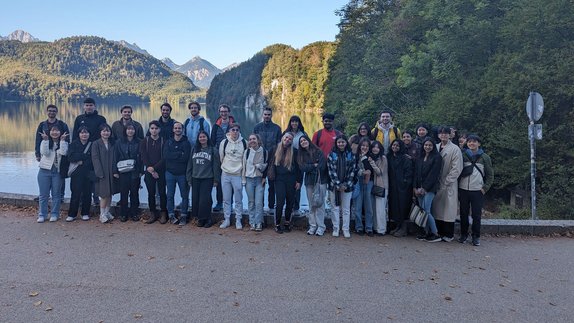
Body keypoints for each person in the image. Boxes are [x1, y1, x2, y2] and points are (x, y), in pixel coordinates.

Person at [458, 134, 494, 246]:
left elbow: (490, 175)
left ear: (479, 143)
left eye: (474, 142)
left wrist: (485, 188)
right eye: (469, 142)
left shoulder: (485, 157)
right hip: (463, 189)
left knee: (476, 215)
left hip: (477, 190)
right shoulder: (463, 155)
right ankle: (463, 234)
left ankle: (476, 236)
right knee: (463, 214)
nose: (471, 144)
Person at [73, 98, 107, 206]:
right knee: (83, 173)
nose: (89, 107)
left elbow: (104, 132)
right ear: (84, 106)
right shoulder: (79, 118)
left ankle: (95, 196)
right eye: (87, 105)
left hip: (96, 150)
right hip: (82, 151)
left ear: (94, 106)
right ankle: (83, 197)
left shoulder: (101, 118)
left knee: (95, 173)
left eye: (91, 105)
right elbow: (75, 135)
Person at [432, 126, 463, 242]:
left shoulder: (455, 149)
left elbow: (457, 168)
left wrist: (447, 181)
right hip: (436, 183)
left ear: (450, 135)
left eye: (446, 133)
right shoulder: (435, 147)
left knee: (448, 210)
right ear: (438, 135)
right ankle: (439, 232)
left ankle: (449, 234)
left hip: (448, 183)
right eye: (441, 133)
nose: (443, 135)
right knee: (437, 209)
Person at [267, 132, 302, 233]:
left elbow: (299, 168)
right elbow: (269, 163)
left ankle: (287, 222)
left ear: (292, 141)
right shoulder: (274, 149)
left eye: (290, 139)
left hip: (291, 179)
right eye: (286, 137)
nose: (287, 140)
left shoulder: (294, 152)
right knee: (280, 202)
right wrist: (265, 177)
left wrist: (299, 181)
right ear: (282, 138)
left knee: (290, 201)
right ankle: (277, 224)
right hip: (279, 179)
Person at [35, 104, 70, 204]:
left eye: (54, 111)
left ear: (56, 112)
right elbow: (38, 139)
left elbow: (67, 139)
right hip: (46, 153)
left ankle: (61, 196)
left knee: (60, 175)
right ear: (47, 112)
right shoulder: (42, 125)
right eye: (50, 111)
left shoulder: (62, 125)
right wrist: (37, 153)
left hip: (60, 154)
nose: (51, 112)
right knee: (45, 174)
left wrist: (66, 152)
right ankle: (44, 194)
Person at [187, 130, 221, 228]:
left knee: (205, 200)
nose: (202, 138)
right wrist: (189, 177)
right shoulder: (194, 149)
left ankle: (208, 219)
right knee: (196, 199)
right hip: (195, 177)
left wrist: (216, 179)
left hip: (207, 178)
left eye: (204, 137)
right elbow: (190, 164)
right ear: (198, 139)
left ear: (207, 138)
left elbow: (216, 166)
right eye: (200, 137)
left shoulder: (212, 150)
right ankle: (200, 219)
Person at [37, 124, 68, 223]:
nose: (55, 133)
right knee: (43, 195)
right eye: (53, 131)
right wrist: (45, 140)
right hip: (44, 170)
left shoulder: (64, 143)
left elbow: (63, 153)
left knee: (56, 194)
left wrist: (62, 141)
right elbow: (44, 153)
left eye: (57, 131)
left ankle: (55, 214)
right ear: (50, 132)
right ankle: (42, 214)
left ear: (60, 132)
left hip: (57, 172)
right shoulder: (45, 142)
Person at [327, 135, 357, 238]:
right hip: (334, 186)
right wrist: (338, 184)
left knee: (346, 209)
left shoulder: (351, 155)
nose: (341, 144)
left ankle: (345, 229)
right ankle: (336, 228)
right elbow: (331, 171)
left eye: (342, 142)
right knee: (335, 208)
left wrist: (346, 184)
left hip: (347, 187)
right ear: (336, 143)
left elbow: (353, 171)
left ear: (346, 143)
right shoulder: (332, 155)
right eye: (339, 142)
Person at [253, 107, 282, 215]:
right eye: (265, 114)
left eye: (269, 114)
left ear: (271, 115)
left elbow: (280, 145)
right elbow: (253, 142)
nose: (267, 116)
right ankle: (260, 207)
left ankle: (271, 207)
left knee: (272, 185)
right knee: (260, 185)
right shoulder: (257, 127)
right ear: (262, 115)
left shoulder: (277, 128)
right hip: (260, 160)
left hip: (272, 161)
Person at [413, 138, 442, 242]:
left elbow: (433, 175)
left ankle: (435, 233)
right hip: (419, 187)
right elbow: (416, 173)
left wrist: (424, 188)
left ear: (433, 146)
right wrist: (415, 188)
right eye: (426, 145)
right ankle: (425, 232)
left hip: (430, 188)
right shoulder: (420, 156)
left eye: (430, 145)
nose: (427, 147)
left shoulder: (437, 157)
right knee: (422, 211)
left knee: (426, 210)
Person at [297, 135, 328, 236]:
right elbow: (302, 168)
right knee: (311, 205)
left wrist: (311, 166)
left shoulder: (318, 151)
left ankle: (321, 227)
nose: (303, 142)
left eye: (304, 140)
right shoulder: (301, 154)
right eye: (301, 141)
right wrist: (313, 165)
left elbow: (322, 166)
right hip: (309, 181)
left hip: (320, 181)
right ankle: (312, 226)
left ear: (308, 140)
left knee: (320, 204)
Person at [219, 123, 247, 229]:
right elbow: (222, 157)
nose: (235, 132)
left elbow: (245, 160)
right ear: (229, 131)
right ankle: (226, 219)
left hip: (238, 174)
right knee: (226, 198)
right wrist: (225, 167)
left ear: (239, 131)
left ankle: (238, 220)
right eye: (233, 130)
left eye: (236, 130)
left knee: (238, 199)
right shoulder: (224, 142)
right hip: (225, 174)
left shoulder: (244, 143)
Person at [113, 123, 143, 222]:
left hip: (135, 171)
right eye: (128, 129)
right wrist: (115, 171)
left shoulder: (139, 142)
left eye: (132, 129)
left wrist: (141, 171)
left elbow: (142, 158)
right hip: (123, 171)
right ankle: (123, 214)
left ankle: (135, 213)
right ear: (125, 130)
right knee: (124, 193)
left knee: (135, 193)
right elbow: (115, 157)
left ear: (135, 131)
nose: (130, 131)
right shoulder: (119, 142)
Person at [140, 120, 167, 224]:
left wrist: (155, 169)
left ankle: (164, 213)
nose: (154, 130)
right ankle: (153, 213)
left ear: (159, 129)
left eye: (156, 128)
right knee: (151, 193)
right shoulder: (145, 141)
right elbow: (143, 156)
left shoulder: (163, 141)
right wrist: (151, 169)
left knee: (162, 193)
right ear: (149, 129)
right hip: (149, 171)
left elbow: (164, 157)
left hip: (161, 171)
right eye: (152, 128)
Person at [164, 122, 191, 225]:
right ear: (173, 129)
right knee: (170, 195)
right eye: (175, 128)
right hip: (170, 173)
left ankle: (184, 215)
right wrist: (179, 153)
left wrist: (174, 155)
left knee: (184, 196)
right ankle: (171, 215)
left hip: (182, 174)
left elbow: (186, 158)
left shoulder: (186, 142)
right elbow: (166, 155)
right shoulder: (168, 142)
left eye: (179, 128)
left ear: (182, 129)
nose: (177, 129)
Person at [65, 126, 94, 222]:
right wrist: (84, 156)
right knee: (75, 193)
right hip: (76, 172)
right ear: (78, 134)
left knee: (87, 193)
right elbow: (70, 157)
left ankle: (85, 213)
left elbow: (93, 159)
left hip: (88, 172)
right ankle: (72, 214)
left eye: (86, 133)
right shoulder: (73, 144)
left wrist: (81, 159)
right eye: (82, 133)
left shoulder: (92, 144)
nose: (84, 134)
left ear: (89, 134)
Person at [210, 104, 235, 212]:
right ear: (219, 113)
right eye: (221, 112)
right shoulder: (216, 126)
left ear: (228, 112)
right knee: (219, 181)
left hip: (231, 158)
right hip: (218, 157)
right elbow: (212, 141)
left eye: (225, 111)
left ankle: (230, 204)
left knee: (231, 181)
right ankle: (219, 203)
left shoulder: (234, 125)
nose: (223, 113)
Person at [387, 139, 413, 237]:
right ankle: (397, 226)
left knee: (402, 207)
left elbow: (409, 173)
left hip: (403, 188)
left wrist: (404, 183)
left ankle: (403, 228)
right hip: (393, 187)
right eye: (393, 145)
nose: (395, 147)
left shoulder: (405, 158)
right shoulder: (389, 157)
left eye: (397, 145)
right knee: (395, 207)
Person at [91, 123, 117, 223]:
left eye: (108, 131)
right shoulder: (96, 143)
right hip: (102, 172)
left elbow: (115, 157)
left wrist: (115, 171)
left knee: (110, 193)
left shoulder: (112, 143)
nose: (106, 133)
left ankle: (107, 212)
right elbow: (95, 158)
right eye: (104, 131)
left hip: (111, 171)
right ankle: (102, 214)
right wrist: (99, 172)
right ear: (100, 132)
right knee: (104, 194)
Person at [242, 134, 267, 231]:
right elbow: (244, 166)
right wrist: (243, 180)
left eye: (254, 139)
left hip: (259, 179)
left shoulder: (264, 152)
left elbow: (266, 166)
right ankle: (252, 222)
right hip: (249, 179)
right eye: (250, 139)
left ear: (258, 140)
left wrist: (259, 167)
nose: (252, 141)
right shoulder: (247, 152)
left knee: (259, 202)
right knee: (251, 202)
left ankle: (259, 223)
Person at [283, 115, 307, 216]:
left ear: (299, 123)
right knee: (287, 186)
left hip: (299, 161)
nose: (294, 123)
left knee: (298, 184)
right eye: (292, 121)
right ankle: (288, 207)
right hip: (287, 162)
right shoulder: (286, 133)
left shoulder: (303, 134)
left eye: (296, 122)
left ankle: (296, 207)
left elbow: (306, 146)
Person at [353, 138, 375, 236]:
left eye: (366, 146)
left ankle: (369, 227)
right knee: (357, 205)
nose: (364, 147)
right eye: (363, 145)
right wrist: (362, 172)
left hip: (368, 182)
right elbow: (353, 169)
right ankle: (359, 227)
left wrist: (365, 159)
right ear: (360, 146)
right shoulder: (355, 157)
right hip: (358, 182)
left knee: (368, 205)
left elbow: (371, 170)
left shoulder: (371, 157)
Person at [369, 141, 389, 235]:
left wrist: (372, 163)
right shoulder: (372, 157)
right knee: (374, 208)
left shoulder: (383, 158)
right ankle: (375, 227)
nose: (375, 149)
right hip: (374, 186)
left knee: (381, 209)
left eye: (377, 147)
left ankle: (382, 229)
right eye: (373, 147)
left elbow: (379, 172)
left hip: (382, 186)